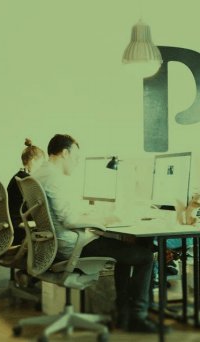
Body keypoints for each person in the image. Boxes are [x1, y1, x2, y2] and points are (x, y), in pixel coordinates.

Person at [33, 134, 163, 333]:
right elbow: (69, 220)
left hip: (54, 244)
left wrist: (89, 218)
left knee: (126, 252)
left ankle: (123, 314)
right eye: (76, 157)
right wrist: (102, 221)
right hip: (72, 246)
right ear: (65, 153)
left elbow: (61, 215)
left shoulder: (39, 174)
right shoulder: (55, 178)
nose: (77, 162)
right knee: (145, 257)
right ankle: (137, 317)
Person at [6, 139, 46, 245]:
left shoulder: (18, 176)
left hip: (11, 225)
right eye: (42, 163)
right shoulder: (27, 180)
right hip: (18, 227)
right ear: (33, 161)